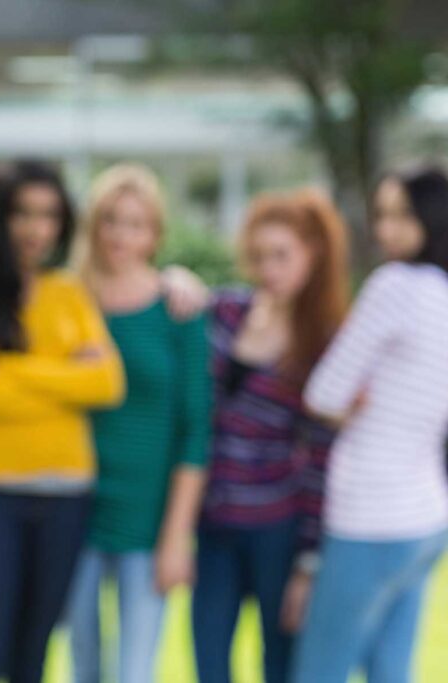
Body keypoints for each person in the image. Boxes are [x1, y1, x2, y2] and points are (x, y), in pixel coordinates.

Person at [0, 161, 126, 683]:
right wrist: (64, 377)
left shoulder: (68, 292)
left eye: (50, 216)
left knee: (31, 661)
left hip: (67, 497)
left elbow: (106, 383)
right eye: (24, 214)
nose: (37, 229)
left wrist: (11, 368)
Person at [293, 166, 448, 683]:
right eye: (381, 214)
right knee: (390, 671)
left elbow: (323, 391)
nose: (385, 229)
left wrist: (356, 402)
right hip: (426, 516)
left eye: (402, 215)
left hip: (371, 514)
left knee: (320, 669)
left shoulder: (395, 284)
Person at [193, 189, 349, 683]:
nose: (269, 269)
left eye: (282, 255)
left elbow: (322, 462)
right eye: (259, 256)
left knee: (279, 664)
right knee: (210, 660)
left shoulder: (325, 342)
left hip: (276, 526)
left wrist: (307, 565)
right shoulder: (226, 311)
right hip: (214, 521)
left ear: (312, 255)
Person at [65, 164, 212, 683]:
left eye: (135, 223)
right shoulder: (65, 301)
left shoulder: (179, 307)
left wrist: (177, 536)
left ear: (155, 233)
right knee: (81, 665)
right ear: (92, 225)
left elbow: (196, 431)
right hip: (74, 507)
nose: (120, 235)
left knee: (135, 672)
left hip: (150, 518)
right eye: (110, 220)